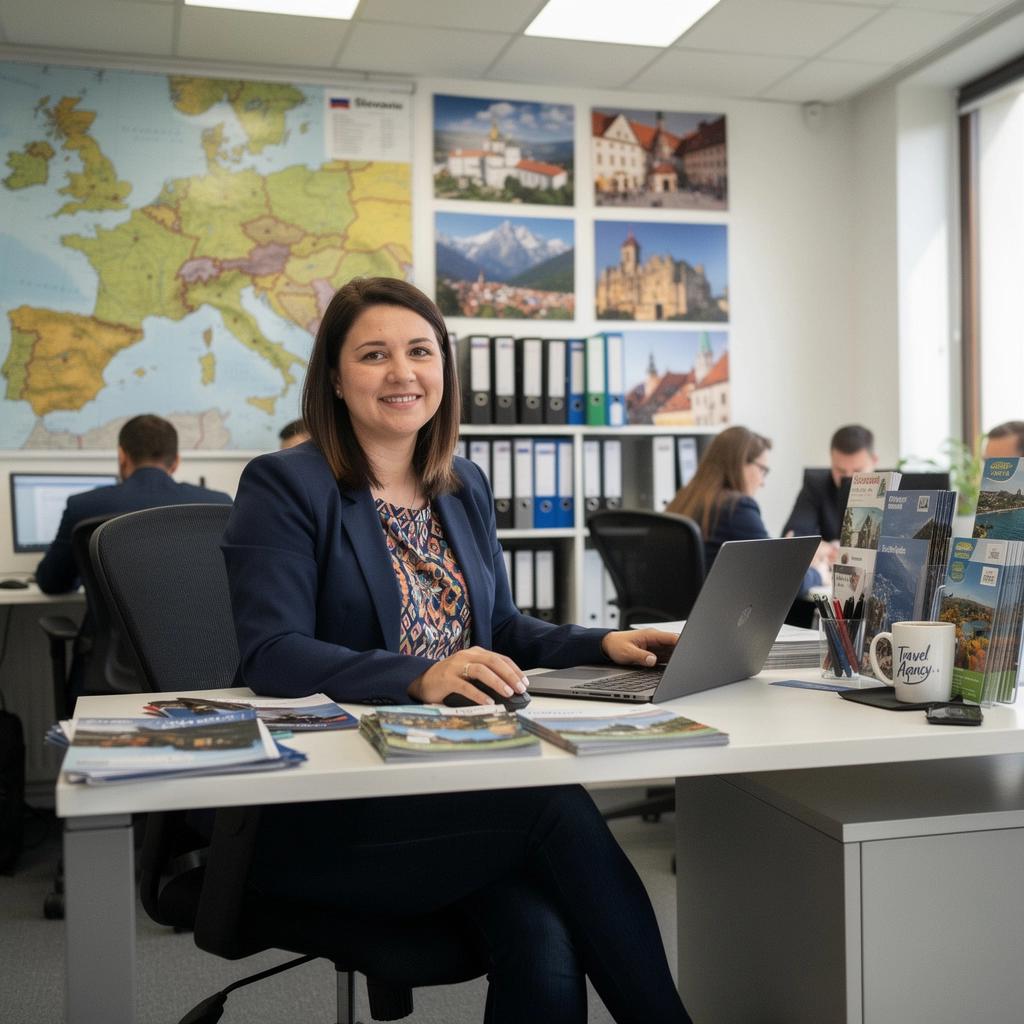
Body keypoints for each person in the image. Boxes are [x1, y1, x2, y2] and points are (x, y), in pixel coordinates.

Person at [221, 277, 692, 1024]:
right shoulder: (285, 484)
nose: (403, 372)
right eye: (374, 355)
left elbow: (500, 630)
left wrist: (602, 640)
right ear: (336, 380)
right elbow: (272, 654)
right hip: (334, 808)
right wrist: (418, 676)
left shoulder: (460, 484)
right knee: (554, 808)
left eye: (420, 351)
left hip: (455, 790)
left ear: (444, 366)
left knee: (541, 936)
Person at [36, 414, 232, 595]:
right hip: (203, 632)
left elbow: (52, 583)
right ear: (176, 462)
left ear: (122, 456)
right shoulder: (219, 506)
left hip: (116, 633)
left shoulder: (83, 506)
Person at [666, 424, 829, 592]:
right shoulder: (737, 508)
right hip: (715, 615)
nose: (762, 481)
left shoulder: (683, 500)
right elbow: (779, 581)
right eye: (762, 470)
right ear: (742, 463)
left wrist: (787, 560)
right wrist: (817, 573)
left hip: (674, 615)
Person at [782, 423, 878, 543]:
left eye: (857, 471)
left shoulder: (894, 490)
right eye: (841, 470)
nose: (849, 478)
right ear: (831, 461)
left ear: (874, 461)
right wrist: (825, 548)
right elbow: (794, 535)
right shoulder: (816, 485)